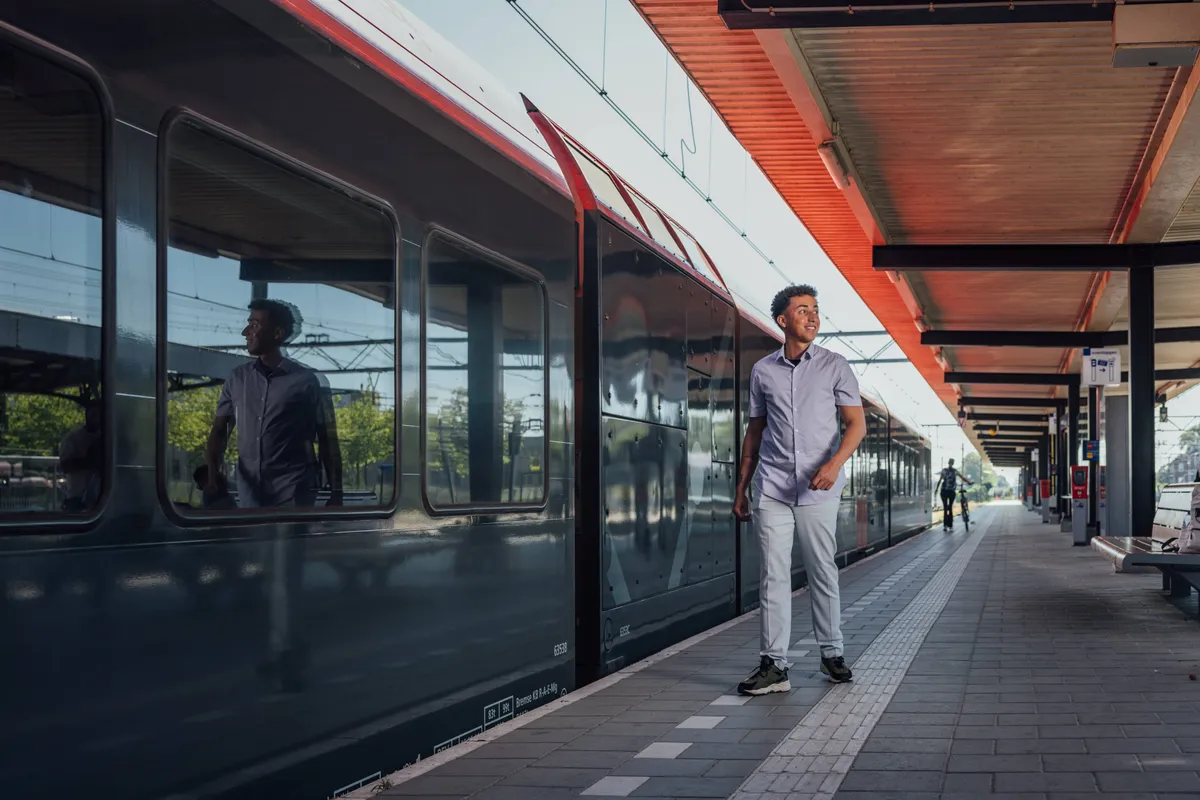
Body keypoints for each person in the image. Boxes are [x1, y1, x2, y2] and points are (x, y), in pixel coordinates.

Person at [733, 284, 866, 695]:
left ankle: (832, 654)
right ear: (783, 320)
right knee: (772, 574)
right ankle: (774, 666)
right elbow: (754, 431)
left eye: (815, 309)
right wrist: (741, 488)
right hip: (771, 486)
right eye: (803, 309)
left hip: (817, 488)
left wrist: (833, 464)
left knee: (821, 570)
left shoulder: (835, 366)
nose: (812, 316)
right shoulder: (763, 371)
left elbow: (856, 425)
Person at [204, 298, 343, 509]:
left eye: (254, 325)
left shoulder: (305, 382)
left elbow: (326, 439)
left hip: (294, 491)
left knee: (289, 542)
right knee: (254, 543)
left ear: (277, 333)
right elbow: (219, 431)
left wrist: (336, 491)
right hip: (250, 492)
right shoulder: (237, 379)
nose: (245, 332)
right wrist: (212, 476)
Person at [59, 403, 101, 512]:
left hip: (101, 497)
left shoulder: (108, 437)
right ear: (86, 415)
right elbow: (65, 466)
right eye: (93, 414)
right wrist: (90, 460)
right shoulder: (73, 438)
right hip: (77, 496)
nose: (96, 418)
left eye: (99, 414)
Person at [935, 458, 972, 529]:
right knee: (950, 508)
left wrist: (936, 489)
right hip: (951, 492)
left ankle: (945, 526)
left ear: (948, 462)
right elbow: (963, 478)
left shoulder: (944, 471)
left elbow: (940, 481)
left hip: (944, 491)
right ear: (953, 463)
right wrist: (969, 482)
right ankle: (950, 525)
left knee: (945, 508)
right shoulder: (955, 471)